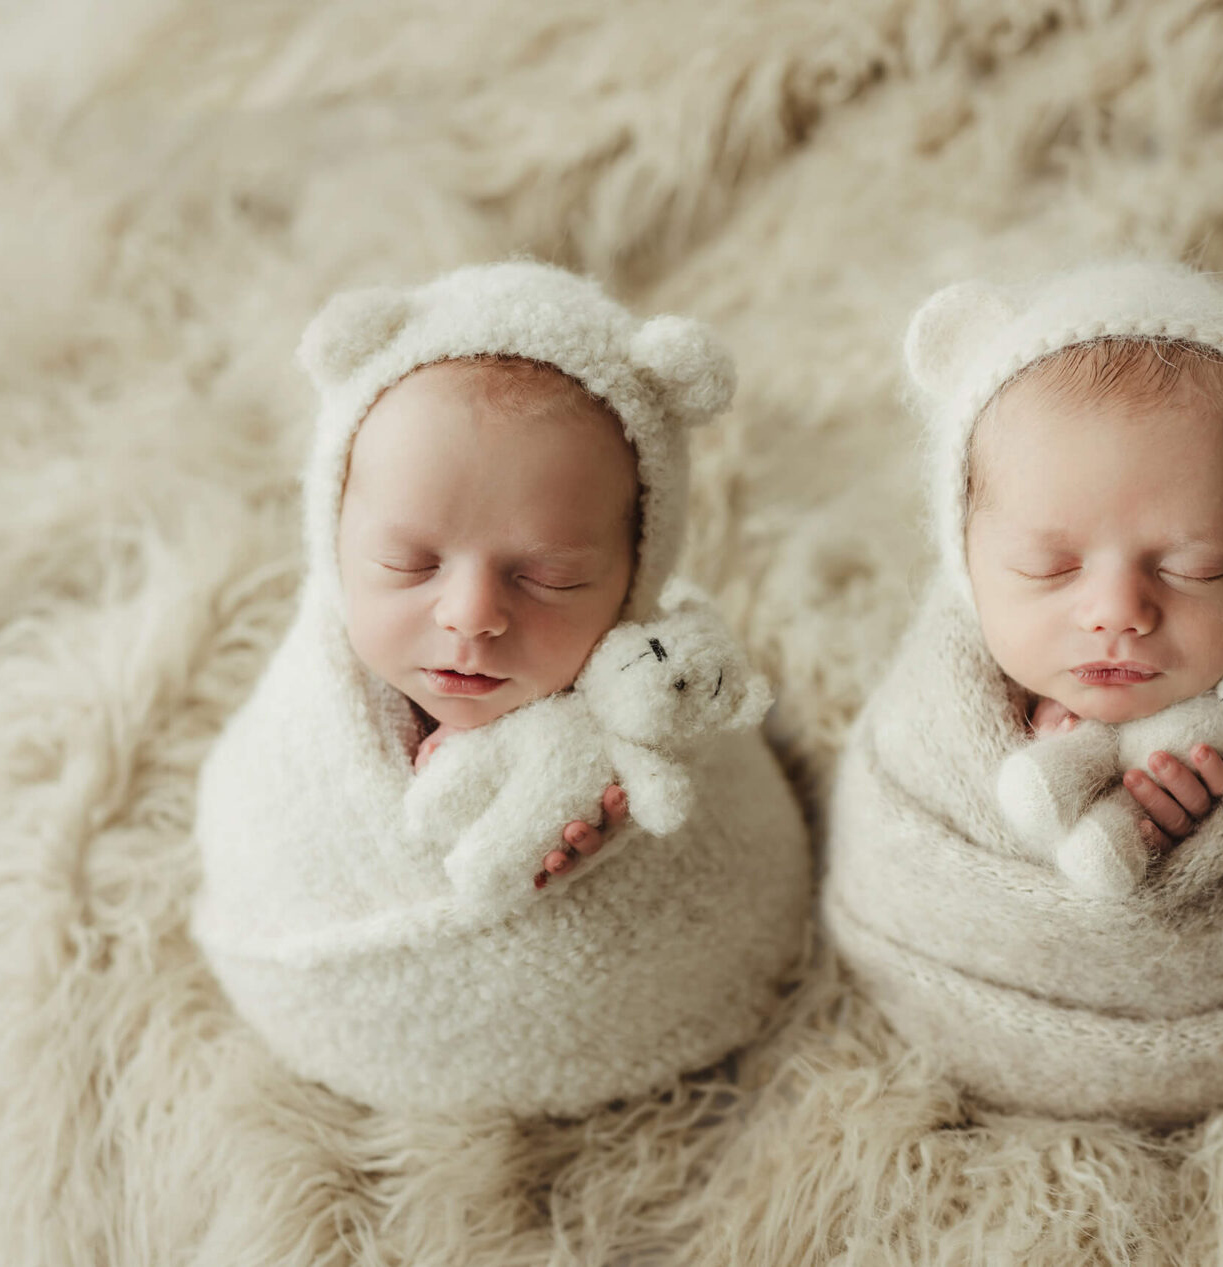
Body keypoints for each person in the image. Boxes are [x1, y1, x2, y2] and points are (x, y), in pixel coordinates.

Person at [192, 262, 812, 1118]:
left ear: (637, 574)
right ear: (334, 536)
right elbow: (259, 833)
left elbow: (727, 867)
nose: (471, 614)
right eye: (409, 564)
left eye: (550, 577)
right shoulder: (308, 714)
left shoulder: (661, 679)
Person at [823, 258, 1223, 1123]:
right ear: (969, 559)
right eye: (1047, 565)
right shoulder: (924, 730)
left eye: (1194, 567)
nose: (1117, 613)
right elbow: (904, 851)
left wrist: (1175, 822)